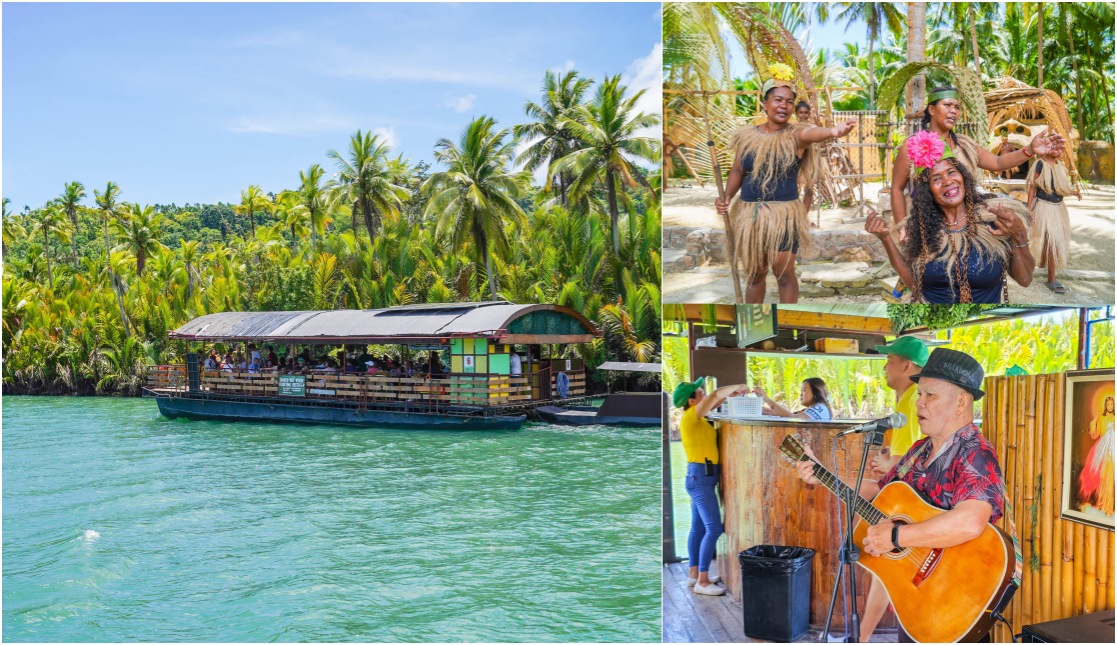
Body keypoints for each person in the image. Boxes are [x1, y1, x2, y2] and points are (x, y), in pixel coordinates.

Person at [794, 348, 1011, 642]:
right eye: (919, 394)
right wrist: (822, 474)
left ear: (961, 402)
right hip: (916, 597)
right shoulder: (919, 451)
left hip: (955, 599)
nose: (919, 402)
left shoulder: (974, 453)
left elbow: (970, 522)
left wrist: (897, 538)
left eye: (930, 395)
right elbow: (879, 491)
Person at [715, 64, 856, 303]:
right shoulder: (746, 136)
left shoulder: (796, 135)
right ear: (764, 104)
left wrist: (833, 131)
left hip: (782, 216)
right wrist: (726, 197)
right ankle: (753, 321)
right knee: (755, 276)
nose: (784, 105)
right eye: (778, 100)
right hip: (749, 214)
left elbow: (812, 134)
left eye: (789, 102)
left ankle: (789, 322)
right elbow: (738, 169)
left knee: (783, 275)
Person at [866, 132, 1035, 303]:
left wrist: (1019, 233)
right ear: (928, 190)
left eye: (951, 172)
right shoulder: (923, 229)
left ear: (963, 176)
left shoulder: (992, 220)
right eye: (936, 178)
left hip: (984, 325)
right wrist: (886, 238)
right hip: (936, 325)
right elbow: (916, 286)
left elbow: (1025, 280)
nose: (947, 181)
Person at [890, 86, 1065, 226]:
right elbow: (897, 189)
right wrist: (902, 228)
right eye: (947, 105)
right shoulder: (913, 146)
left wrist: (1030, 149)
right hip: (928, 223)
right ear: (932, 109)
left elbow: (997, 162)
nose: (954, 111)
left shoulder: (965, 145)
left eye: (957, 107)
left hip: (966, 219)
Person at [860, 336, 929, 642]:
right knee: (882, 574)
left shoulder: (913, 400)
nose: (885, 367)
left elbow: (905, 465)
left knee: (883, 570)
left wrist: (887, 463)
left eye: (889, 361)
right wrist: (887, 460)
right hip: (905, 503)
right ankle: (861, 637)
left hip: (910, 509)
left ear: (907, 365)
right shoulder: (909, 400)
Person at [674, 377, 752, 596]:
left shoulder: (697, 418)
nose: (705, 396)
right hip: (701, 478)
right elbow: (716, 395)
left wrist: (731, 395)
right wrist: (737, 385)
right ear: (691, 401)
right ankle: (703, 580)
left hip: (700, 477)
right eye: (700, 394)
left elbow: (715, 399)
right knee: (714, 529)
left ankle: (693, 574)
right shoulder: (692, 416)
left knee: (698, 528)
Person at [1026, 149, 1081, 294]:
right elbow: (1032, 187)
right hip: (1044, 207)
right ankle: (1051, 280)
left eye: (1060, 148)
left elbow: (1061, 187)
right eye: (1055, 148)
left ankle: (1043, 267)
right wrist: (1029, 209)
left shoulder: (1060, 166)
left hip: (1058, 208)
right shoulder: (1040, 164)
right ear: (1048, 149)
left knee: (1051, 240)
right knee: (1053, 241)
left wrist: (1073, 191)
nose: (1058, 151)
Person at [1079, 395, 1115, 516]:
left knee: (1110, 479)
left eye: (1112, 404)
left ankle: (1108, 505)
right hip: (1102, 452)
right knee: (1102, 478)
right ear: (1106, 405)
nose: (1110, 406)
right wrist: (1097, 418)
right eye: (1108, 404)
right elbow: (1095, 434)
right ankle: (1101, 502)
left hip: (1113, 452)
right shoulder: (1102, 418)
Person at [753, 377, 832, 420]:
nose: (801, 394)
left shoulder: (819, 408)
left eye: (804, 390)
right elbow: (791, 415)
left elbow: (793, 418)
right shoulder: (819, 408)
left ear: (815, 392)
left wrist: (766, 399)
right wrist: (771, 412)